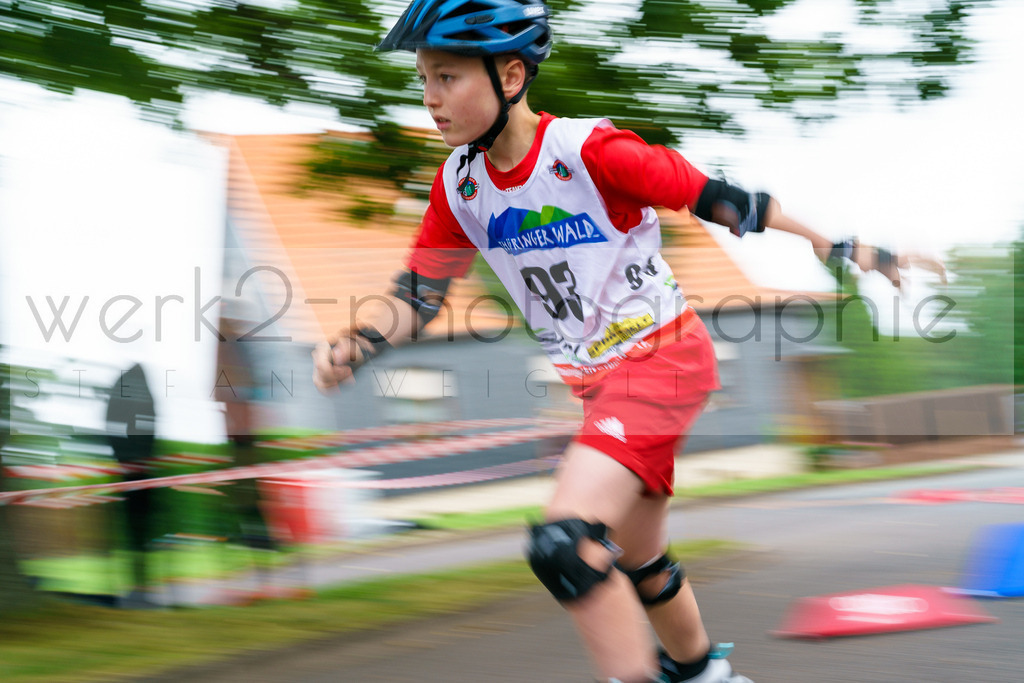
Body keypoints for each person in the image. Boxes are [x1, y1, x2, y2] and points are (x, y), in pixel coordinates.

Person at [311, 1, 918, 679]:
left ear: (510, 76)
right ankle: (704, 672)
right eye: (423, 79)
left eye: (447, 77)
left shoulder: (589, 153)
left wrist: (843, 247)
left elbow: (723, 199)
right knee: (639, 559)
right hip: (603, 386)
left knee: (564, 545)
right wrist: (360, 343)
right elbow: (419, 297)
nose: (429, 98)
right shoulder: (461, 188)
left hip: (664, 360)